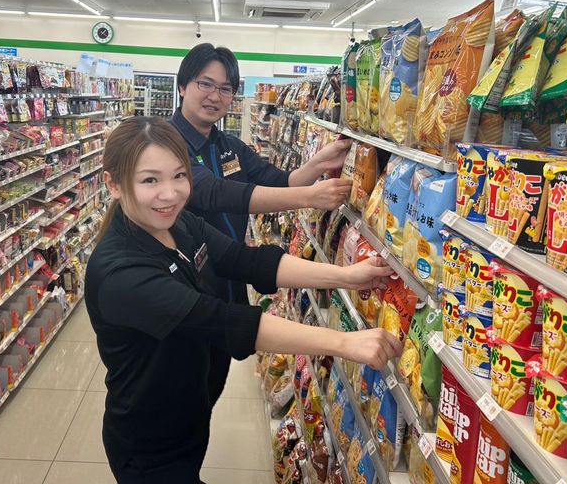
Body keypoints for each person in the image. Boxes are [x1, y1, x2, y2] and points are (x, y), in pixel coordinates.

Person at [85, 117, 402, 484]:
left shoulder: (179, 225)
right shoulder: (120, 273)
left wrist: (346, 276)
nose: (170, 194)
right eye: (150, 180)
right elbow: (222, 320)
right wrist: (344, 342)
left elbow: (247, 261)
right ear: (114, 184)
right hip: (148, 438)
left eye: (179, 175)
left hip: (188, 408)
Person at [170, 43, 354, 407]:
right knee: (182, 391)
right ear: (182, 86)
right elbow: (212, 193)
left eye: (225, 88)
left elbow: (279, 181)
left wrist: (320, 162)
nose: (215, 96)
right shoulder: (167, 144)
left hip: (229, 278)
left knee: (210, 387)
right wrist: (309, 197)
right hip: (186, 285)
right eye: (205, 84)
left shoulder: (228, 146)